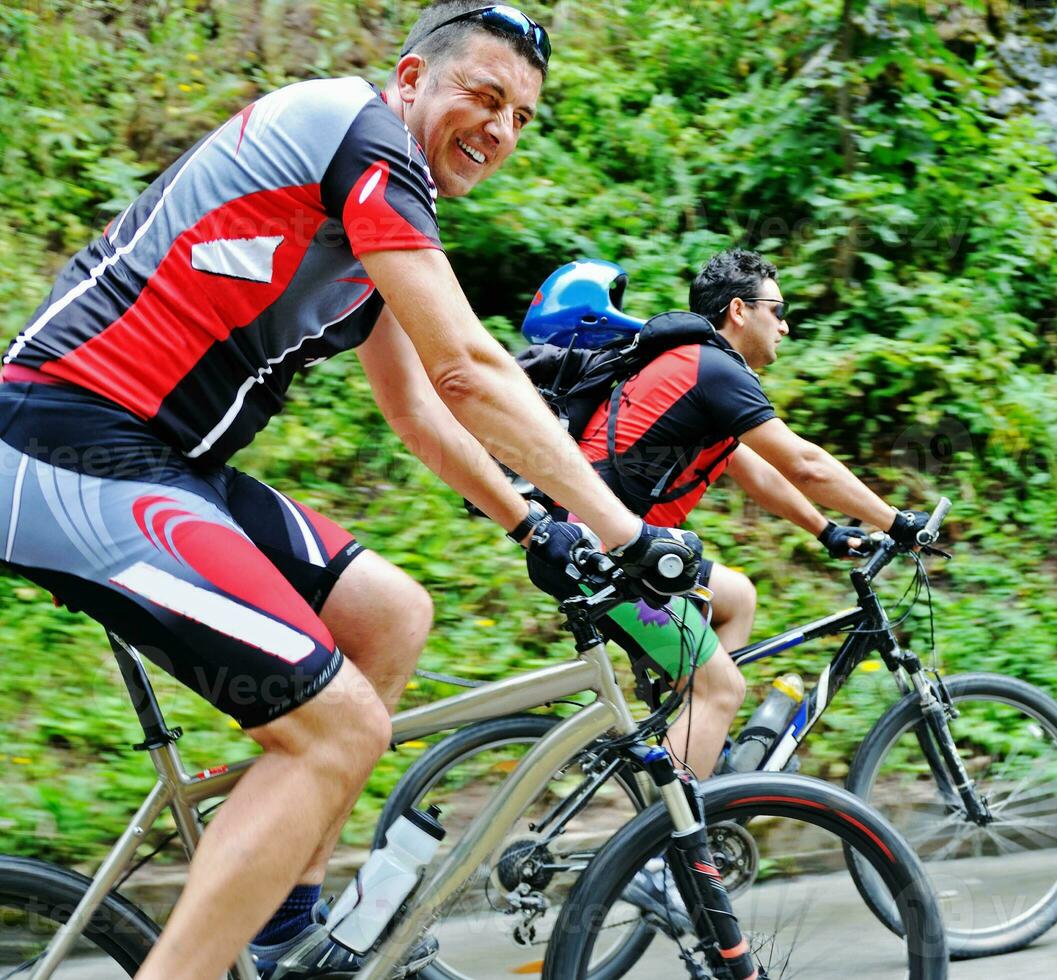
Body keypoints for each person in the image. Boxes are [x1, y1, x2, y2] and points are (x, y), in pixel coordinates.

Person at [0, 4, 699, 978]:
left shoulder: (372, 206)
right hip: (63, 445)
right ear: (411, 79)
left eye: (522, 117)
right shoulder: (363, 137)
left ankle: (288, 934)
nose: (500, 129)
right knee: (339, 728)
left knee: (390, 612)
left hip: (158, 461)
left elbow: (420, 411)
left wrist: (538, 527)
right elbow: (467, 368)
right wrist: (628, 531)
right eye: (484, 95)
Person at [525, 247, 933, 784]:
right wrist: (895, 520)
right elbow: (806, 464)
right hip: (602, 556)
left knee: (736, 597)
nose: (785, 326)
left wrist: (828, 531)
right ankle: (667, 850)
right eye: (778, 310)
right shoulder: (711, 367)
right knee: (722, 687)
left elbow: (754, 469)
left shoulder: (694, 369)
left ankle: (690, 743)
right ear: (740, 310)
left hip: (603, 546)